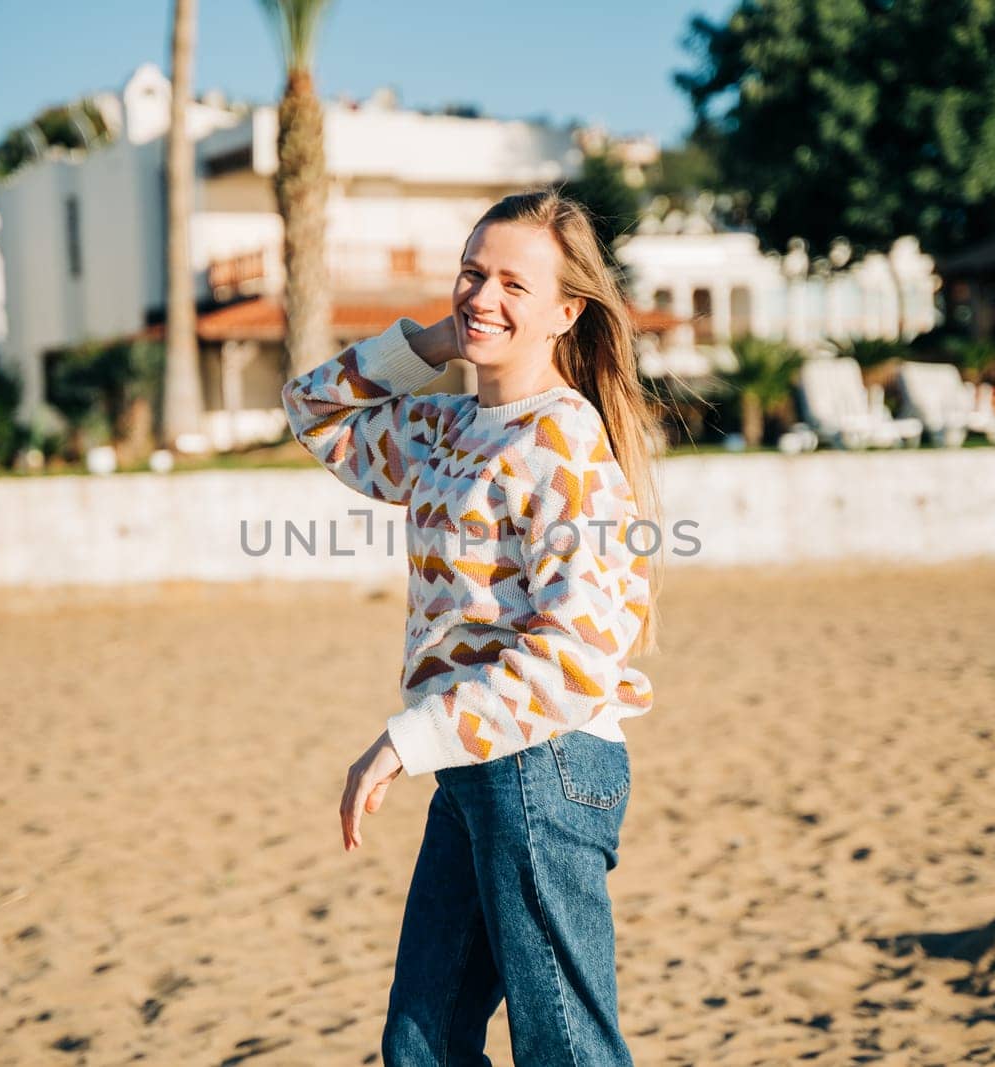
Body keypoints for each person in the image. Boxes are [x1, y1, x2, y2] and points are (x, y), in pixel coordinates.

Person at [281, 189, 664, 1065]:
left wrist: (404, 741)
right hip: (473, 764)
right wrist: (433, 342)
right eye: (472, 273)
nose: (482, 295)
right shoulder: (442, 426)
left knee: (563, 1046)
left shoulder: (565, 441)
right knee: (424, 1045)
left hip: (544, 764)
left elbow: (576, 658)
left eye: (513, 285)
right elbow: (312, 411)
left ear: (567, 312)